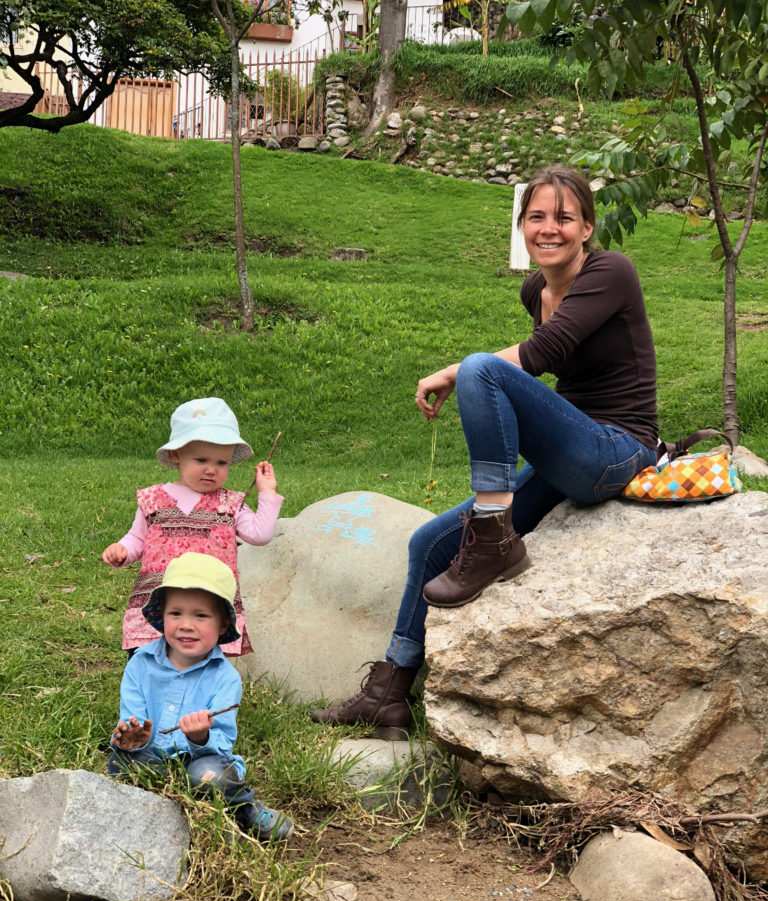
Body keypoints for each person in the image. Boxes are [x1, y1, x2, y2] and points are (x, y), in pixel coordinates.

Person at [312, 165, 658, 734]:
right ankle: (390, 690)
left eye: (565, 218)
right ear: (523, 226)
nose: (550, 229)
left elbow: (544, 352)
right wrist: (470, 375)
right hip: (571, 455)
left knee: (480, 370)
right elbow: (541, 361)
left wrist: (454, 374)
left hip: (619, 451)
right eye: (537, 217)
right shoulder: (535, 290)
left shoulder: (611, 271)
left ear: (588, 228)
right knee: (429, 542)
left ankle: (493, 534)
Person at [108, 551, 293, 841]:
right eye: (175, 613)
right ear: (162, 615)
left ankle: (244, 808)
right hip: (150, 757)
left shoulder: (224, 678)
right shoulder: (139, 665)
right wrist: (131, 739)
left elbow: (221, 743)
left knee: (210, 775)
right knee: (122, 761)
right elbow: (130, 720)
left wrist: (199, 738)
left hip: (200, 762)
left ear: (222, 625)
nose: (186, 624)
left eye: (201, 615)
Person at [102, 397, 282, 657]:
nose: (211, 470)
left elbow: (260, 535)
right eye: (201, 460)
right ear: (177, 455)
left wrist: (267, 493)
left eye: (222, 463)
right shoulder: (153, 499)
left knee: (202, 669)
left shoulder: (230, 504)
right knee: (149, 664)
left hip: (206, 606)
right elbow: (137, 538)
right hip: (159, 604)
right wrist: (122, 550)